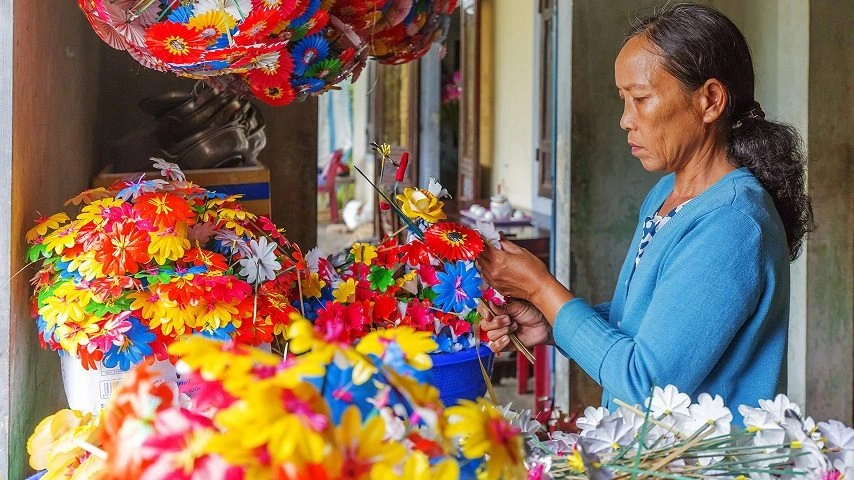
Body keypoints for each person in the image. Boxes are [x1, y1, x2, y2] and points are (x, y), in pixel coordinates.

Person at [477, 3, 813, 416]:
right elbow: (648, 327)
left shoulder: (733, 223)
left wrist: (541, 288)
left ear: (709, 100)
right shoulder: (664, 196)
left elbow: (646, 386)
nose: (625, 120)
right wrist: (551, 322)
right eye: (623, 99)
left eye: (640, 98)